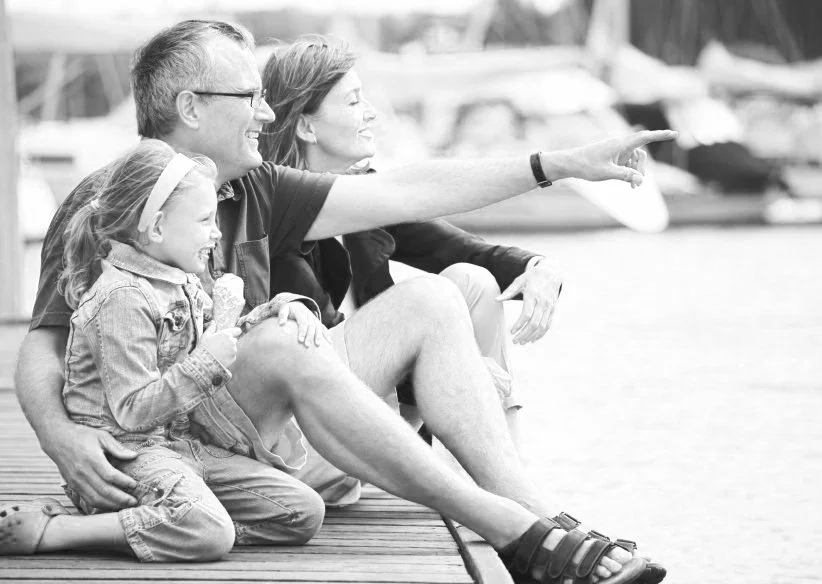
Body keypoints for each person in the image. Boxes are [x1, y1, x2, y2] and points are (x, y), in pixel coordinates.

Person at [13, 19, 673, 583]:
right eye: (250, 97)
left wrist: (558, 164)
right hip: (163, 443)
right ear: (190, 107)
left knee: (434, 300)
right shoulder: (110, 203)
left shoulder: (257, 185)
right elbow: (42, 344)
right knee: (281, 338)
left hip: (253, 429)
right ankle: (512, 533)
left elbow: (411, 191)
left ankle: (541, 519)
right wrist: (61, 437)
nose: (267, 114)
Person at [1, 140, 330, 559]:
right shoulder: (121, 298)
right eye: (205, 220)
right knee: (210, 531)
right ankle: (60, 530)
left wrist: (279, 307)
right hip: (128, 456)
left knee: (303, 511)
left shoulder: (178, 280)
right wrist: (206, 362)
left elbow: (222, 330)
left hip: (180, 446)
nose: (216, 233)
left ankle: (181, 520)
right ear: (156, 228)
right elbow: (132, 410)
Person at [259, 37, 563, 450]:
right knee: (438, 313)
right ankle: (492, 463)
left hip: (389, 399)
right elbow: (326, 354)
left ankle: (506, 454)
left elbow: (465, 250)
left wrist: (539, 267)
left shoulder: (364, 198)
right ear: (307, 127)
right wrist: (457, 370)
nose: (371, 113)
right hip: (319, 419)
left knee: (471, 279)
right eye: (353, 102)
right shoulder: (274, 212)